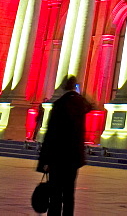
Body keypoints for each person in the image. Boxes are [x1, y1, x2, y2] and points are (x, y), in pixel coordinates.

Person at [38, 75, 92, 216]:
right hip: (74, 158)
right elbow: (90, 106)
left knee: (56, 192)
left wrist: (44, 160)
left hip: (58, 157)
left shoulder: (59, 105)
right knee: (69, 193)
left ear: (63, 87)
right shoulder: (81, 105)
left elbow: (51, 135)